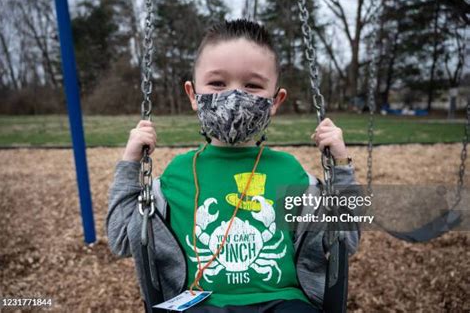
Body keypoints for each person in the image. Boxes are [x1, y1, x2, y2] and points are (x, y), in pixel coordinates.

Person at [106, 19, 359, 313]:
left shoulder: (291, 172)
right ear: (193, 95)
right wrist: (130, 163)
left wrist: (340, 166)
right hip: (201, 303)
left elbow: (347, 241)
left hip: (285, 301)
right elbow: (122, 240)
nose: (234, 96)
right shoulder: (177, 176)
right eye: (217, 83)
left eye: (252, 85)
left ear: (275, 101)